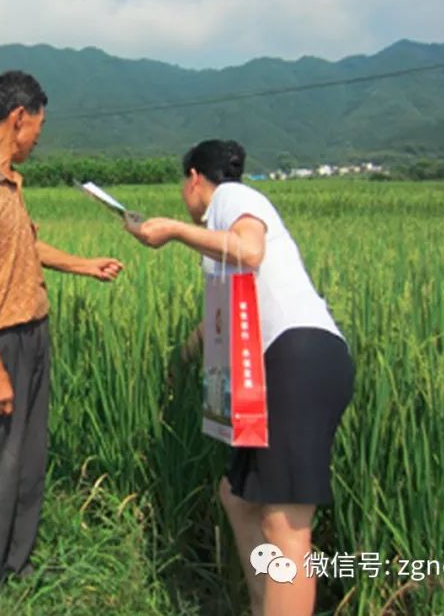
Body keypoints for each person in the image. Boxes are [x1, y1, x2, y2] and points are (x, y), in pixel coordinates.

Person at [126, 139, 354, 616]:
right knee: (237, 497)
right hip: (277, 368)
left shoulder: (230, 199)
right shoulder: (217, 240)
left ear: (193, 179)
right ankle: (263, 604)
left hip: (297, 358)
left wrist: (170, 229)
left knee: (286, 525)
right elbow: (220, 318)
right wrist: (181, 359)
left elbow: (250, 252)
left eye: (182, 189)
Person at [0, 70, 124, 586]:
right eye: (37, 128)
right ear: (18, 117)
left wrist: (84, 264)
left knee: (26, 460)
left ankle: (16, 563)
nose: (37, 139)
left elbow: (25, 249)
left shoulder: (8, 183)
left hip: (32, 332)